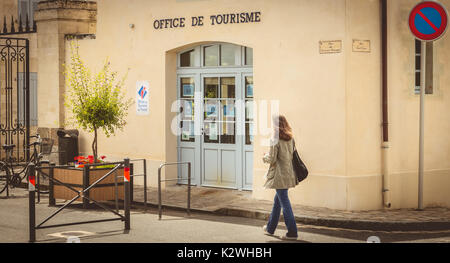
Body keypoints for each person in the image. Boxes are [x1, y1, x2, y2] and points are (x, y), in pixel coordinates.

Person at [262, 115, 298, 240]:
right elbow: (291, 156)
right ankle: (270, 228)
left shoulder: (274, 139)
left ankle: (292, 232)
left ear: (275, 125)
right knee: (278, 202)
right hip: (288, 174)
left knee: (284, 203)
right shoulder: (291, 138)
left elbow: (272, 159)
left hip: (279, 175)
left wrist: (264, 156)